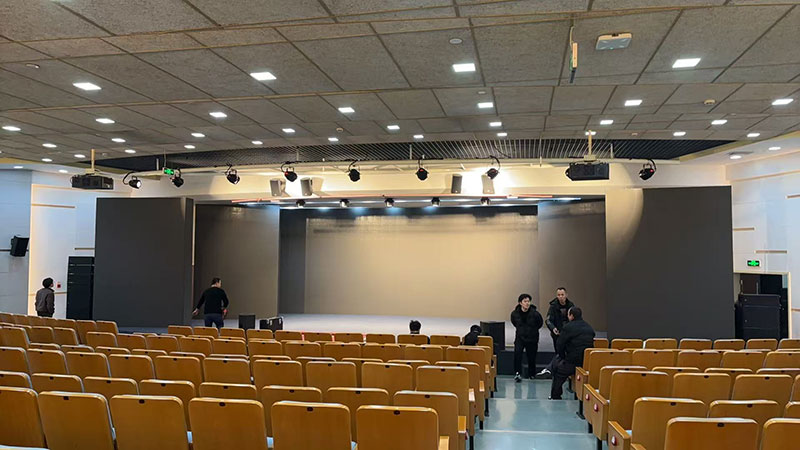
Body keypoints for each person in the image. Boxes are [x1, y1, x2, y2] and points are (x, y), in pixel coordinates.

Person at [550, 307, 595, 400]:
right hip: (587, 362)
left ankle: (555, 396)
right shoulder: (589, 327)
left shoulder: (568, 327)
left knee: (558, 372)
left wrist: (562, 357)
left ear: (571, 316)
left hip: (572, 361)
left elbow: (560, 344)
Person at [537, 287, 575, 378]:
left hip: (568, 333)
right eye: (558, 295)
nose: (560, 297)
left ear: (566, 295)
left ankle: (557, 371)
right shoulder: (553, 306)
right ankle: (556, 371)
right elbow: (548, 320)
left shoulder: (571, 305)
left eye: (562, 295)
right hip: (557, 334)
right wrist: (553, 328)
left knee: (565, 354)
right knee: (558, 353)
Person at [510, 293, 543, 382]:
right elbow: (514, 323)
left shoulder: (535, 314)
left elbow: (540, 323)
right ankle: (517, 373)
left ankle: (531, 374)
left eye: (528, 301)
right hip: (520, 338)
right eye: (525, 301)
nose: (527, 303)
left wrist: (532, 330)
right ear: (520, 303)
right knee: (517, 354)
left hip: (532, 338)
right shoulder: (514, 314)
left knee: (531, 357)